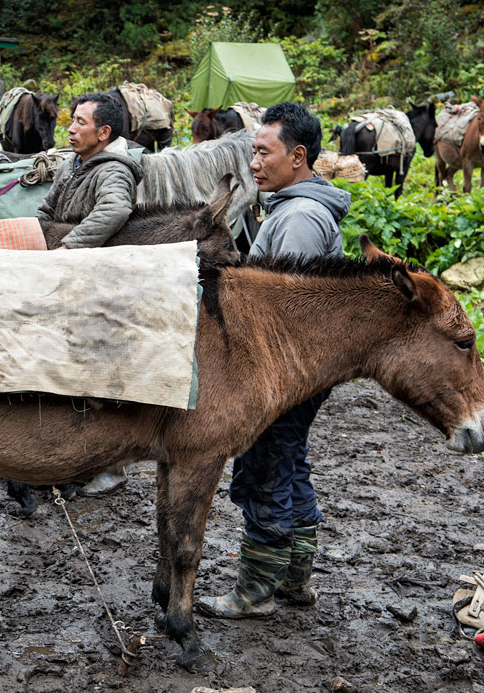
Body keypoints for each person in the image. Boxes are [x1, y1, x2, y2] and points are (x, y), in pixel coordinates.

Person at [196, 102, 351, 618]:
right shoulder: (291, 208)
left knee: (265, 469)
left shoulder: (301, 219)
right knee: (290, 464)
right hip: (303, 371)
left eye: (264, 152)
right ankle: (295, 581)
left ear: (298, 157)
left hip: (286, 373)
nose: (255, 163)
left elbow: (287, 315)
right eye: (252, 153)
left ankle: (255, 591)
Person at [35, 92, 143, 496]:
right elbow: (47, 210)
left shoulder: (113, 171)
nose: (71, 128)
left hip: (94, 284)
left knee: (93, 375)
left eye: (80, 122)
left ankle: (109, 466)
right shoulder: (72, 164)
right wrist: (32, 238)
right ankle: (64, 458)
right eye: (72, 120)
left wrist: (68, 247)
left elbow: (115, 210)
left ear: (104, 132)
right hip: (64, 279)